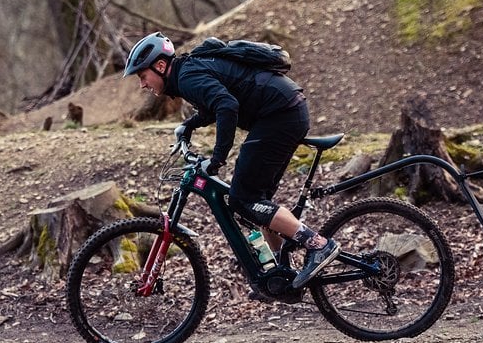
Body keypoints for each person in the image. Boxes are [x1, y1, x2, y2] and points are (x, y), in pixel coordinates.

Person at [123, 31, 339, 288]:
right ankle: (282, 276)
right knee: (258, 202)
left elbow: (226, 106)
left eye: (142, 75)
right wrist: (189, 125)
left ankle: (319, 245)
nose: (142, 84)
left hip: (280, 115)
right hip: (285, 111)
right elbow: (213, 104)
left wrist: (218, 159)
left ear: (160, 66)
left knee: (243, 199)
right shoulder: (186, 74)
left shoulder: (187, 76)